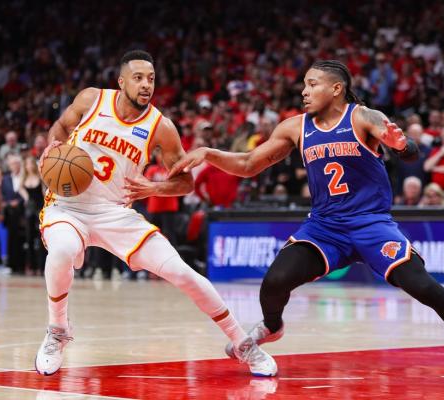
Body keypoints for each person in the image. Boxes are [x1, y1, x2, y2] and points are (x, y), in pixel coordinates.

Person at [170, 60, 444, 380]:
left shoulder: (363, 117)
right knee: (275, 280)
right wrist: (210, 154)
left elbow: (409, 151)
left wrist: (401, 145)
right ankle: (272, 326)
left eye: (312, 84)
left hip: (371, 224)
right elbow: (248, 165)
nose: (304, 91)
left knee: (423, 287)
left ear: (336, 89)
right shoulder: (295, 127)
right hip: (325, 227)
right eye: (304, 85)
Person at [35, 50, 275, 377]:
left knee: (183, 273)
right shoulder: (92, 99)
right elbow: (61, 128)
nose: (146, 85)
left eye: (150, 79)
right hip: (69, 206)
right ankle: (58, 331)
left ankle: (242, 343)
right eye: (138, 78)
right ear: (121, 82)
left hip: (116, 213)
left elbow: (186, 182)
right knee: (62, 250)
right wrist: (52, 148)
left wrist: (155, 188)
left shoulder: (161, 127)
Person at [19, 156, 46, 275]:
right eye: (27, 164)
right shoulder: (23, 179)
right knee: (29, 238)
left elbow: (44, 193)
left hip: (40, 209)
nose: (29, 166)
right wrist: (25, 197)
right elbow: (21, 190)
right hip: (29, 210)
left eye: (30, 164)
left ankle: (41, 266)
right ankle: (31, 265)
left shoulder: (40, 178)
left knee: (41, 239)